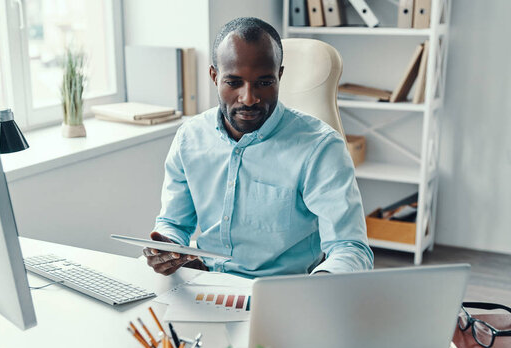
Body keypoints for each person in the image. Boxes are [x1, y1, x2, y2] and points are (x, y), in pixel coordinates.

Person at [143, 17, 373, 278]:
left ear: (280, 76)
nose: (249, 98)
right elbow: (173, 223)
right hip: (205, 283)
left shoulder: (320, 147)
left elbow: (350, 247)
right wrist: (167, 248)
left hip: (284, 292)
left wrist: (322, 283)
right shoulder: (190, 138)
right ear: (214, 77)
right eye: (233, 82)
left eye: (264, 83)